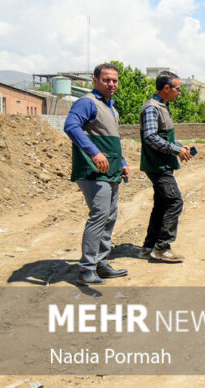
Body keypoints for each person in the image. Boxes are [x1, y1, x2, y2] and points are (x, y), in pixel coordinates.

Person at [64, 63, 130, 285]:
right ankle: (87, 269)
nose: (111, 84)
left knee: (110, 216)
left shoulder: (112, 108)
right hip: (93, 171)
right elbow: (71, 126)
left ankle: (101, 264)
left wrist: (122, 162)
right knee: (99, 215)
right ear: (95, 81)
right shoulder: (87, 103)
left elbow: (111, 139)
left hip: (110, 171)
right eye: (106, 80)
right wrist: (94, 153)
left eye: (115, 80)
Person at [138, 71, 192, 263]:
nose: (180, 92)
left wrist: (179, 146)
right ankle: (162, 248)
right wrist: (175, 150)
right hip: (157, 165)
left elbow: (162, 135)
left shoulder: (162, 106)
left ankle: (148, 247)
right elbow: (151, 137)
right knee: (174, 202)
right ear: (166, 88)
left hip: (162, 163)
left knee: (161, 205)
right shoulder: (152, 108)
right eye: (177, 89)